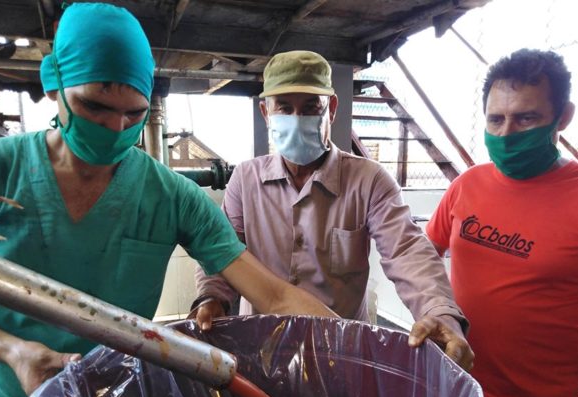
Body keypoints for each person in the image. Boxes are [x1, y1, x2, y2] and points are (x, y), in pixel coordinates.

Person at [0, 5, 338, 397]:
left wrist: (364, 349)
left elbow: (274, 295)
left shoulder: (172, 197)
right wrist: (13, 350)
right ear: (54, 86)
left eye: (134, 114)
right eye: (95, 108)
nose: (115, 128)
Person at [191, 50, 474, 370]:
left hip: (338, 352)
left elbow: (406, 250)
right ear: (265, 112)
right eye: (284, 108)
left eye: (311, 109)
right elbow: (224, 253)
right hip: (259, 346)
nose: (296, 120)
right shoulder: (246, 179)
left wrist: (438, 311)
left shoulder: (368, 180)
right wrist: (212, 297)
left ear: (333, 109)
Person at [425, 48, 578, 397]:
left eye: (526, 119)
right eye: (496, 120)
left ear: (562, 117)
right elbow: (420, 262)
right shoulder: (467, 185)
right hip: (460, 391)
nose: (506, 134)